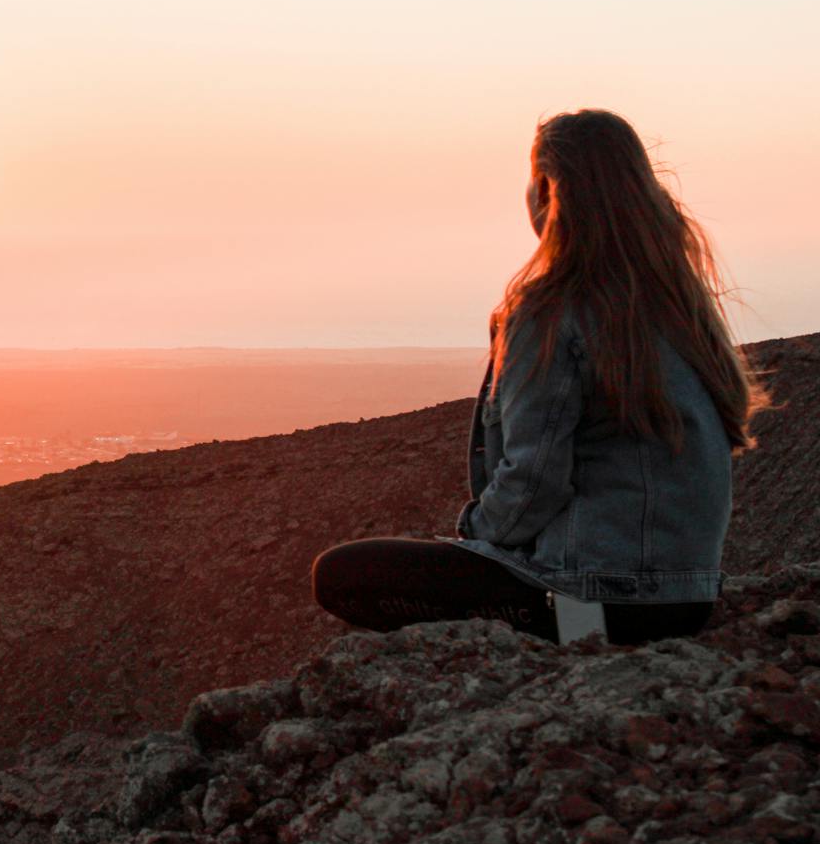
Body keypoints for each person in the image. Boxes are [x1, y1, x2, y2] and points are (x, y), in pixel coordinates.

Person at [312, 108, 772, 646]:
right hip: (683, 604)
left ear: (548, 191)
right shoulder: (679, 305)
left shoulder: (552, 311)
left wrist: (474, 537)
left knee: (343, 575)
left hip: (589, 603)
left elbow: (534, 481)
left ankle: (558, 646)